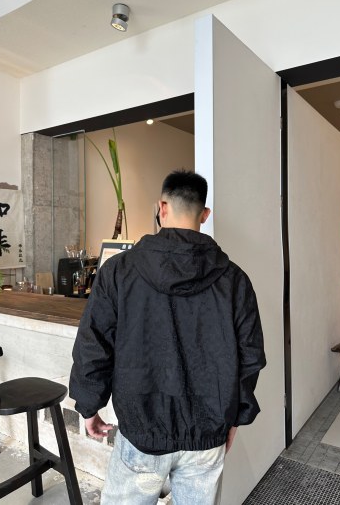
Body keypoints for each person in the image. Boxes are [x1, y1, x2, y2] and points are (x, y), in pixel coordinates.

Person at [69, 169, 266, 505]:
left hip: (142, 428)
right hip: (207, 431)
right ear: (205, 214)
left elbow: (94, 343)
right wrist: (236, 416)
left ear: (161, 207)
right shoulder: (235, 280)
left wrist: (89, 406)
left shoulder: (118, 271)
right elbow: (250, 356)